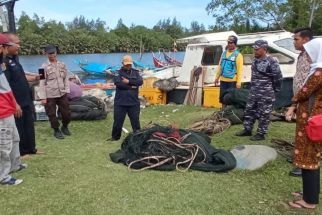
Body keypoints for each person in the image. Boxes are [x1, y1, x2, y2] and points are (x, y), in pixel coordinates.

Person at [286, 38, 322, 209]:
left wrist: (293, 101)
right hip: (311, 120)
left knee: (309, 158)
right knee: (311, 158)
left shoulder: (319, 73)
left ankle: (309, 201)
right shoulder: (316, 70)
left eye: (309, 52)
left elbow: (304, 91)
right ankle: (309, 193)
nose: (306, 56)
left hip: (312, 122)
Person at [235, 40, 282, 141]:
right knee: (249, 110)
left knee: (264, 113)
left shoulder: (271, 61)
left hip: (266, 93)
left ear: (264, 49)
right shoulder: (255, 60)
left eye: (257, 49)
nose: (254, 51)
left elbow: (278, 77)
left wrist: (275, 89)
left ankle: (261, 133)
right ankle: (247, 129)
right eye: (254, 49)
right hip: (254, 91)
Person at [3, 33, 39, 157]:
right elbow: (6, 85)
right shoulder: (4, 62)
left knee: (29, 124)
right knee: (20, 127)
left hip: (26, 98)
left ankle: (31, 149)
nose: (19, 46)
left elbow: (20, 77)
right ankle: (22, 152)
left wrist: (35, 77)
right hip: (17, 101)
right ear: (8, 45)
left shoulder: (15, 58)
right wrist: (14, 103)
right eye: (17, 44)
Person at [286, 28, 313, 177]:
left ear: (306, 40)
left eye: (296, 39)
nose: (294, 42)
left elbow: (310, 82)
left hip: (310, 101)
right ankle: (300, 157)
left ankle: (305, 164)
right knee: (301, 131)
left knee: (308, 132)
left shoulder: (313, 56)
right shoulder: (301, 55)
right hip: (300, 100)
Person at [0, 34, 25, 185]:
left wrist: (14, 103)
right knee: (4, 143)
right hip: (2, 110)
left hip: (8, 107)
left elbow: (6, 88)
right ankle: (3, 176)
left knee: (15, 137)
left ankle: (15, 164)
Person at [39, 45, 71, 139]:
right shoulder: (42, 67)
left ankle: (64, 127)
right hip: (50, 94)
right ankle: (56, 130)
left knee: (67, 113)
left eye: (53, 53)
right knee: (52, 114)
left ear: (56, 53)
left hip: (62, 93)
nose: (52, 55)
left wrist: (67, 90)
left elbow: (66, 79)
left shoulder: (62, 64)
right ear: (46, 54)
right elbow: (41, 82)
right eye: (50, 53)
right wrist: (43, 97)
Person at [110, 55, 143, 141]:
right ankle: (115, 137)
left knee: (135, 121)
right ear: (122, 64)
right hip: (120, 102)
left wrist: (128, 81)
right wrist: (133, 86)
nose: (128, 66)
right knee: (118, 122)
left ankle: (138, 137)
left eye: (129, 64)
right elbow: (119, 84)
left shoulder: (136, 72)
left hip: (133, 102)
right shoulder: (117, 73)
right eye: (126, 64)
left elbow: (140, 82)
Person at [215, 35, 244, 107]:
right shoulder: (224, 53)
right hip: (223, 80)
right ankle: (222, 112)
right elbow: (220, 66)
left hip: (232, 81)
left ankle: (229, 112)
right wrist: (216, 77)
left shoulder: (238, 55)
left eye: (231, 43)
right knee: (222, 98)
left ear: (235, 44)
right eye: (228, 42)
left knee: (230, 98)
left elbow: (240, 69)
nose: (229, 44)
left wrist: (238, 83)